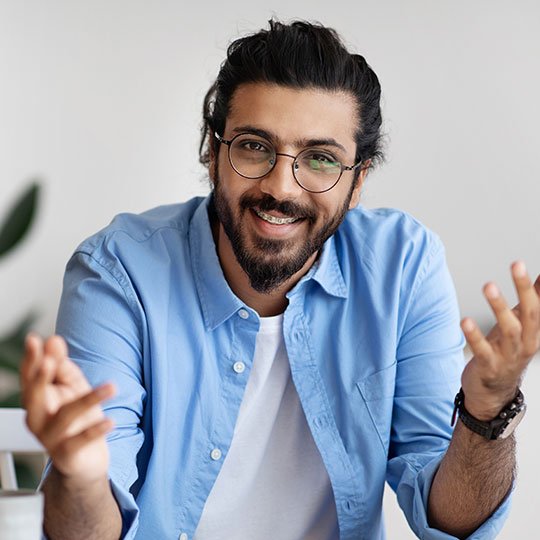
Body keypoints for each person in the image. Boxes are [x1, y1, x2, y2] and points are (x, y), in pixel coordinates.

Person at [20, 20, 539, 540]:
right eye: (254, 147)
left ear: (358, 180)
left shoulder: (403, 267)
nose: (281, 188)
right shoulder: (118, 272)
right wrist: (81, 478)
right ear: (212, 153)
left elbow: (449, 523)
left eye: (321, 159)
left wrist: (485, 412)